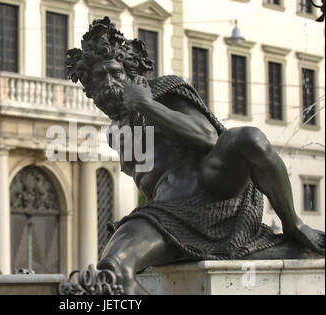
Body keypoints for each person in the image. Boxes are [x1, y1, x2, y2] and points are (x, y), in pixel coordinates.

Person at [66, 17, 325, 294]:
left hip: (215, 191)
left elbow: (208, 139)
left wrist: (147, 105)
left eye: (115, 73)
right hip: (169, 217)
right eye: (98, 77)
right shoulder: (115, 134)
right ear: (90, 89)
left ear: (131, 75)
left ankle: (293, 224)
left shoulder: (162, 91)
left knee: (249, 138)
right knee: (113, 268)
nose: (108, 83)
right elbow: (151, 183)